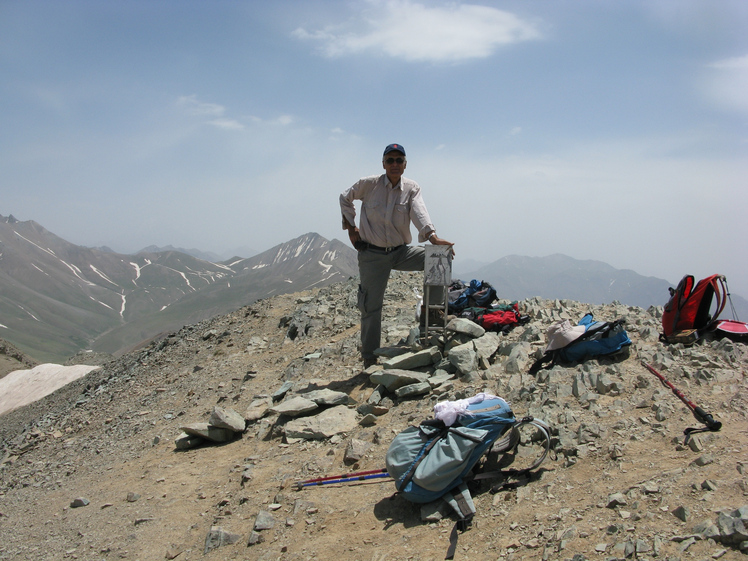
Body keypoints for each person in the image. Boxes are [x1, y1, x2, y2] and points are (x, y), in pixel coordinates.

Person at [339, 143, 454, 368]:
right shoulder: (368, 184)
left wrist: (433, 239)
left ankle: (432, 317)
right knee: (371, 306)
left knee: (439, 257)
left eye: (398, 160)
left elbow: (419, 212)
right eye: (390, 160)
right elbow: (345, 197)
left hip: (401, 251)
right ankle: (370, 356)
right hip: (373, 254)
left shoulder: (411, 188)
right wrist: (351, 228)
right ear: (383, 164)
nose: (394, 164)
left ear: (405, 165)